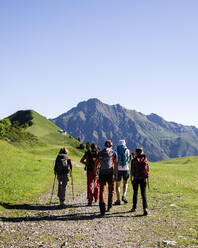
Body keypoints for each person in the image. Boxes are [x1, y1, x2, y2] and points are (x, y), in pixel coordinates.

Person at [97, 140, 117, 215]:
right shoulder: (113, 153)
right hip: (110, 173)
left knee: (102, 190)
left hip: (102, 173)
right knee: (111, 190)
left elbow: (96, 164)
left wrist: (96, 173)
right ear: (111, 145)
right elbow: (115, 164)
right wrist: (116, 174)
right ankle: (109, 205)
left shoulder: (100, 153)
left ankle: (102, 209)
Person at [130, 148, 149, 216]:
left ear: (136, 152)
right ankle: (145, 208)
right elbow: (148, 169)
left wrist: (131, 179)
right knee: (143, 194)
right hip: (143, 178)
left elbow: (132, 171)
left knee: (135, 193)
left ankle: (134, 207)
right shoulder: (145, 158)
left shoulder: (134, 160)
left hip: (136, 178)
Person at [114, 139, 131, 205]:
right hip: (126, 168)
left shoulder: (116, 151)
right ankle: (124, 196)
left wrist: (115, 171)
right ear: (124, 144)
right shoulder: (128, 150)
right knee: (125, 183)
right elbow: (129, 160)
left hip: (119, 169)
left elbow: (115, 162)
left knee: (117, 185)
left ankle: (118, 199)